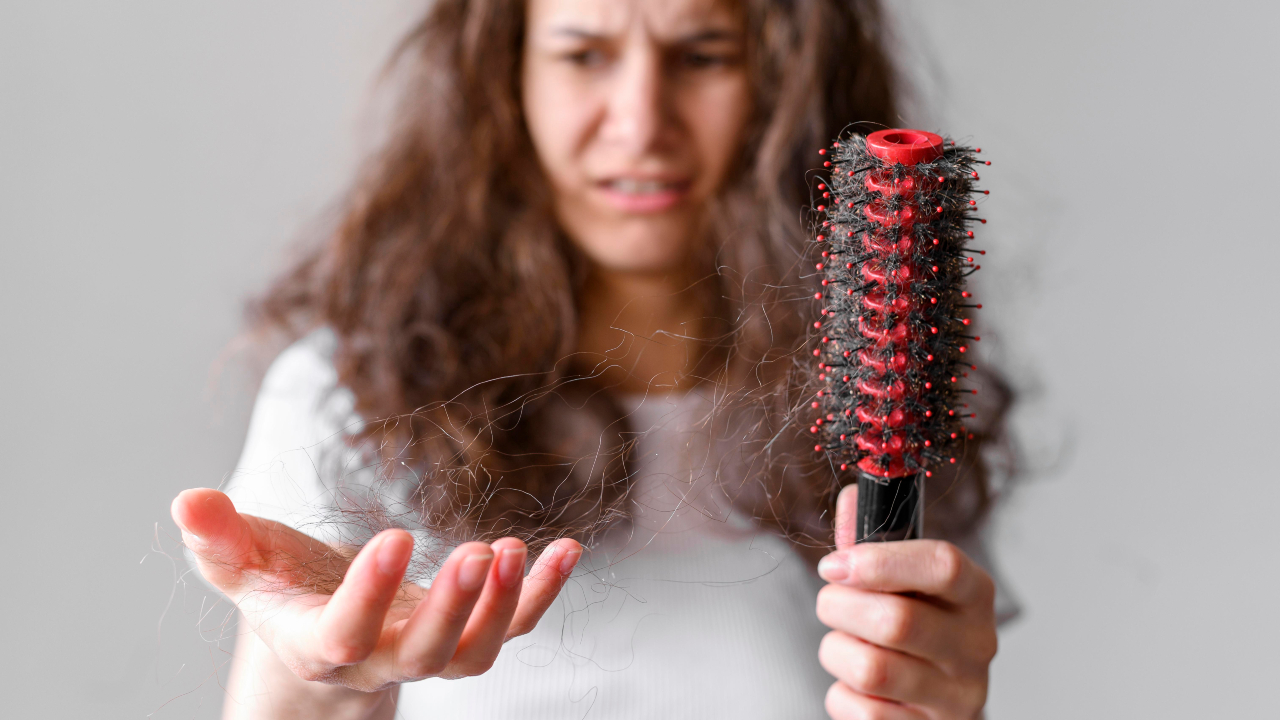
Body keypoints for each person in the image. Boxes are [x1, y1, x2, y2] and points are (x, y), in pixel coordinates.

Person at [171, 0, 1015, 718]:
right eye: (584, 55)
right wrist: (320, 673)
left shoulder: (887, 401)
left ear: (784, 78)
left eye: (702, 54)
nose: (641, 122)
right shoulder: (349, 397)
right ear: (508, 78)